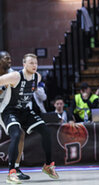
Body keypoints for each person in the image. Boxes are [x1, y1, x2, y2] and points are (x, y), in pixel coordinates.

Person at [0, 54, 59, 183]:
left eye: (36, 63)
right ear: (24, 64)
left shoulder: (37, 77)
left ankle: (48, 165)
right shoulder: (15, 76)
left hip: (24, 110)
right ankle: (11, 172)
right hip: (9, 110)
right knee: (16, 134)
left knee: (46, 131)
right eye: (31, 63)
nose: (34, 65)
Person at [0, 51, 30, 181]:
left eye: (10, 57)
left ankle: (15, 169)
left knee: (19, 133)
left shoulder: (12, 72)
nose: (9, 60)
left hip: (4, 109)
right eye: (6, 58)